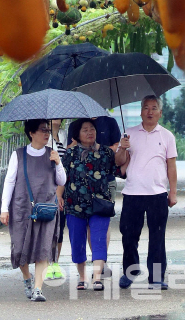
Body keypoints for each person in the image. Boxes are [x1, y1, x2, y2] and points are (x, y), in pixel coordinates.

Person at [114, 94, 178, 289]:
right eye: (146, 108)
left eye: (154, 108)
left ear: (160, 112)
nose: (149, 112)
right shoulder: (129, 133)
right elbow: (118, 163)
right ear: (141, 112)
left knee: (158, 237)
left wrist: (172, 192)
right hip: (132, 193)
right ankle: (130, 271)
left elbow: (171, 167)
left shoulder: (167, 136)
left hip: (157, 194)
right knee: (129, 235)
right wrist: (122, 148)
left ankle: (157, 277)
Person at [0, 119, 66, 302]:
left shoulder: (52, 154)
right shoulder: (19, 155)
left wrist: (58, 163)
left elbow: (62, 181)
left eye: (47, 130)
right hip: (22, 209)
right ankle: (27, 278)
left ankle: (38, 289)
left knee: (43, 248)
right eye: (42, 130)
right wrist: (4, 208)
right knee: (20, 249)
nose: (46, 133)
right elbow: (9, 181)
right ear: (31, 133)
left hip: (46, 209)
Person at [62, 118, 119, 291]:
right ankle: (82, 276)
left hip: (100, 203)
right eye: (85, 130)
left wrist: (123, 148)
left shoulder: (106, 153)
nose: (89, 132)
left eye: (92, 129)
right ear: (77, 135)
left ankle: (97, 277)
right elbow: (61, 178)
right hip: (74, 204)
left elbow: (120, 169)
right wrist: (59, 198)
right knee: (77, 240)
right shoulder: (70, 154)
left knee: (99, 238)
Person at [46, 119, 68, 280]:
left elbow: (65, 160)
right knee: (48, 227)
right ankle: (46, 263)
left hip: (62, 184)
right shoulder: (44, 137)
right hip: (47, 186)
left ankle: (55, 262)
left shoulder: (63, 135)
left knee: (59, 226)